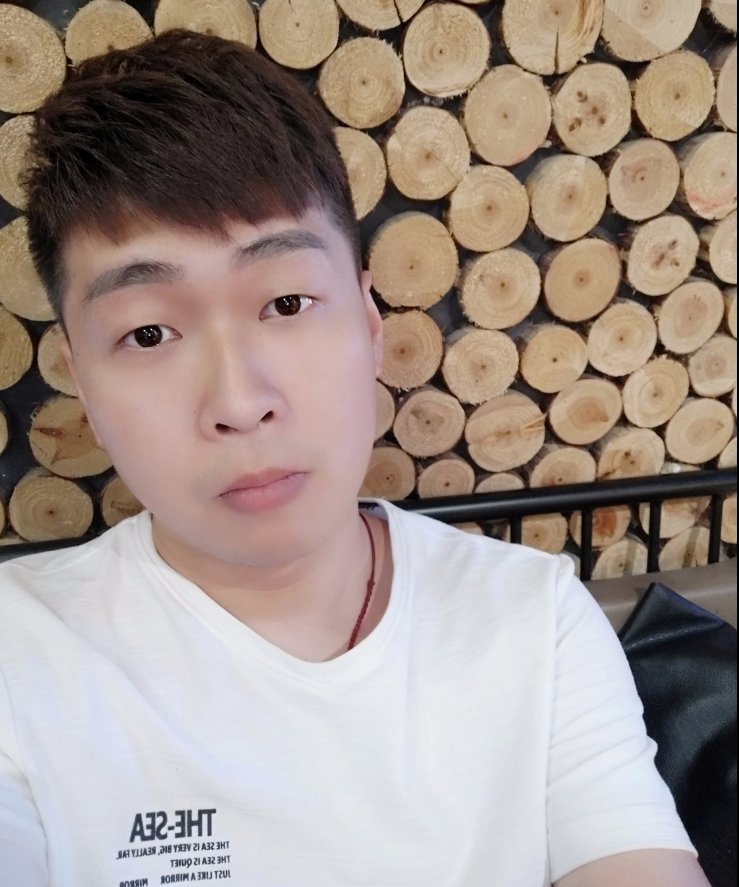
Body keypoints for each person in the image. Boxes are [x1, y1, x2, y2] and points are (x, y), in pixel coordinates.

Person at [0, 30, 709, 887]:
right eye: (148, 332)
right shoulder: (19, 655)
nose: (239, 402)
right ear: (81, 381)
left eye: (286, 302)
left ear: (370, 326)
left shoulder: (533, 622)